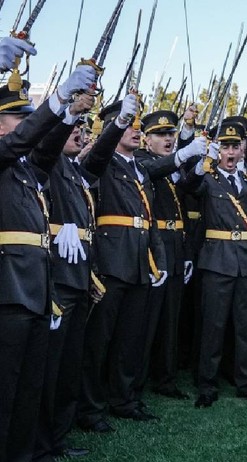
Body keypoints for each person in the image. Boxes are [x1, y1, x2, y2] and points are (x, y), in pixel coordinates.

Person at [0, 63, 97, 461]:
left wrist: (69, 113)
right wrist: (56, 100)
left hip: (36, 290)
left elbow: (45, 146)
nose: (26, 123)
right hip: (8, 289)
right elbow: (22, 141)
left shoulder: (23, 171)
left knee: (28, 390)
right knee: (6, 392)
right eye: (17, 117)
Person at [77, 94, 169, 432]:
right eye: (127, 123)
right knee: (100, 341)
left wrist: (159, 260)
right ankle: (90, 408)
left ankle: (125, 399)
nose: (135, 129)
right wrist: (111, 132)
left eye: (135, 124)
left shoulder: (139, 169)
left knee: (130, 339)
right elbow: (96, 158)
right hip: (112, 261)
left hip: (141, 261)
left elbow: (150, 218)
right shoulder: (101, 162)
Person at [180, 121, 247, 408]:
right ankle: (207, 384)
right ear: (216, 150)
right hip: (216, 260)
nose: (230, 152)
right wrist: (199, 164)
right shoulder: (207, 179)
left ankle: (246, 382)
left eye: (234, 147)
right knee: (213, 325)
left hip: (245, 260)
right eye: (225, 147)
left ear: (242, 150)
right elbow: (188, 186)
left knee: (246, 325)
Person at [33, 94, 97, 461]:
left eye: (84, 128)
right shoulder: (47, 162)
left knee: (70, 364)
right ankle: (43, 442)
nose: (80, 133)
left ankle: (58, 436)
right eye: (74, 128)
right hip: (55, 275)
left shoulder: (74, 170)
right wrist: (67, 113)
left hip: (78, 273)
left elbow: (98, 155)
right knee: (50, 367)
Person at [133, 110, 203, 403]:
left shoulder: (173, 167)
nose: (168, 139)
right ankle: (136, 380)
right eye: (161, 135)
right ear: (146, 139)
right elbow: (154, 170)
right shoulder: (141, 161)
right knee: (147, 320)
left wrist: (195, 167)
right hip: (154, 246)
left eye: (171, 134)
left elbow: (185, 201)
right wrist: (183, 154)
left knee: (170, 320)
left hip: (176, 245)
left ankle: (166, 378)